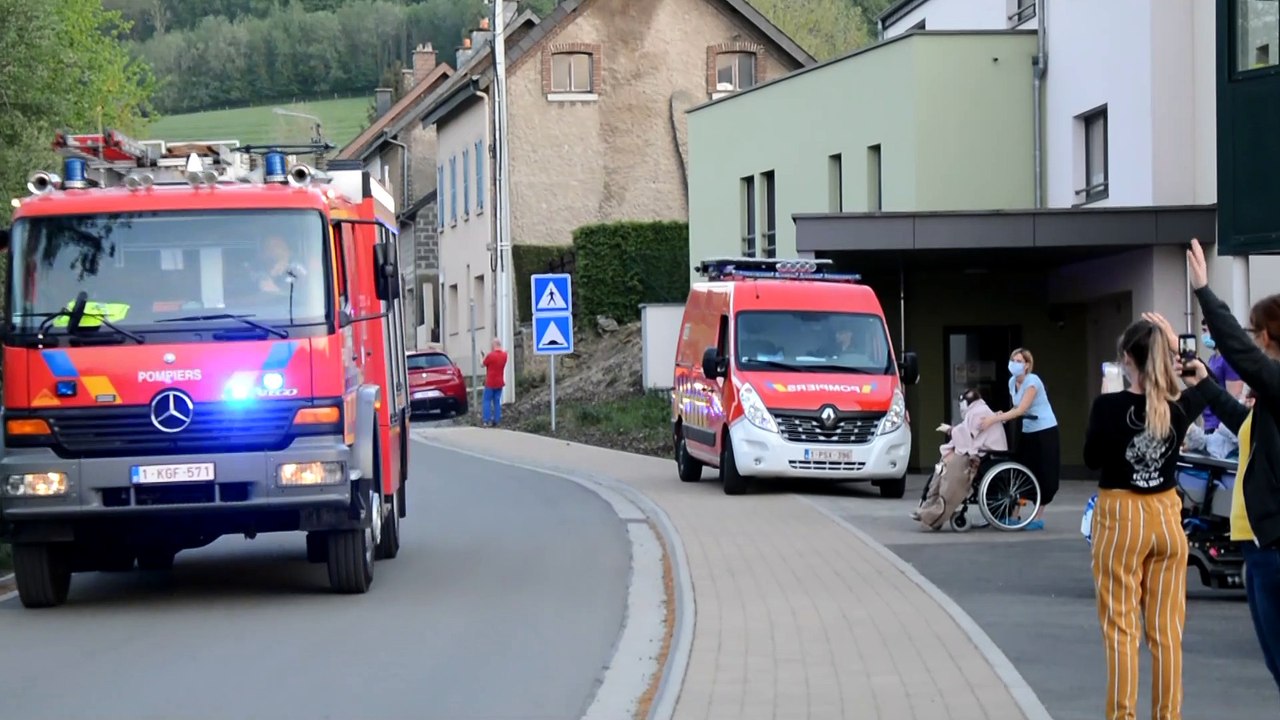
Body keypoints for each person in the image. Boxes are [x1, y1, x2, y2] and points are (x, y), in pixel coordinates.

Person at [1083, 316, 1215, 720]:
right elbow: (1205, 384)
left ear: (1127, 359)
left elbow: (1091, 460)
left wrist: (1110, 392)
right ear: (1165, 358)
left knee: (1122, 631)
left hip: (1121, 516)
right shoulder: (1178, 408)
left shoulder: (1108, 406)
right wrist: (1184, 355)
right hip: (1166, 516)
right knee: (1167, 634)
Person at [1186, 237, 1280, 694]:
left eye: (1252, 331)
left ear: (1265, 336)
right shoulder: (1271, 402)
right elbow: (1245, 424)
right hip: (1259, 543)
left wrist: (1204, 290)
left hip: (1274, 546)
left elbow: (1241, 356)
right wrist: (1205, 384)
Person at [980, 347, 1060, 530]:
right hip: (1028, 430)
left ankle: (1038, 517)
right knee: (1022, 471)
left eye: (1019, 361)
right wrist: (1000, 414)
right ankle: (1015, 515)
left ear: (1027, 365)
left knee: (1044, 473)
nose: (1014, 364)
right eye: (1013, 360)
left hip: (1045, 430)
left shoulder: (1033, 382)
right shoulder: (1011, 382)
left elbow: (1021, 409)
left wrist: (994, 418)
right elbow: (1014, 409)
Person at [914, 388, 1007, 530]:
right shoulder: (977, 410)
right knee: (942, 467)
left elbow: (968, 435)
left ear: (965, 402)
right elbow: (966, 433)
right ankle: (928, 507)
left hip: (985, 454)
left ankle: (933, 513)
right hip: (981, 452)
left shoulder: (978, 412)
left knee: (949, 472)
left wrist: (950, 430)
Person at [1201, 316, 1245, 434]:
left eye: (1206, 331)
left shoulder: (1229, 361)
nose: (1204, 335)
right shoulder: (1212, 359)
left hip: (1220, 426)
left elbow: (1233, 399)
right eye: (1203, 331)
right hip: (1209, 422)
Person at [481, 338, 508, 427]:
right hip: (500, 382)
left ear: (494, 345)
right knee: (497, 401)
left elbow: (482, 364)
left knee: (487, 401)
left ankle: (486, 420)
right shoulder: (505, 355)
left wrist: (482, 357)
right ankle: (496, 420)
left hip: (490, 382)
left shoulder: (490, 355)